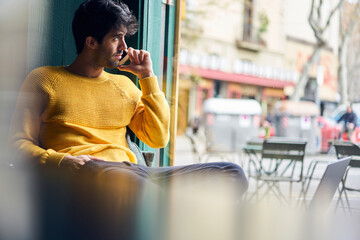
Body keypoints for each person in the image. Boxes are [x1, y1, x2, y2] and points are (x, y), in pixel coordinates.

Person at [9, 0, 248, 239]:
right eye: (117, 38)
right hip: (89, 170)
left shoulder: (124, 86)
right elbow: (17, 144)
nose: (125, 46)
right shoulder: (45, 80)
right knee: (140, 189)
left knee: (231, 173)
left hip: (135, 172)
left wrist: (147, 77)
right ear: (91, 42)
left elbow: (158, 137)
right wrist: (62, 161)